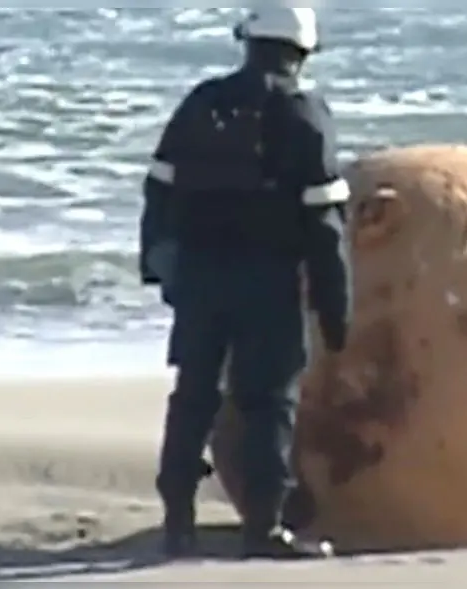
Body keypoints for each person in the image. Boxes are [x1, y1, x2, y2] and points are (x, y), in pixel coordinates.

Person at [140, 7, 352, 558]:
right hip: (266, 281)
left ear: (250, 42)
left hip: (201, 277)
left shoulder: (202, 101)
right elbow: (324, 225)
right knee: (267, 403)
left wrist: (161, 270)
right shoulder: (305, 113)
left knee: (194, 396)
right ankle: (264, 529)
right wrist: (336, 313)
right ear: (301, 54)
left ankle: (177, 523)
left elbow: (158, 192)